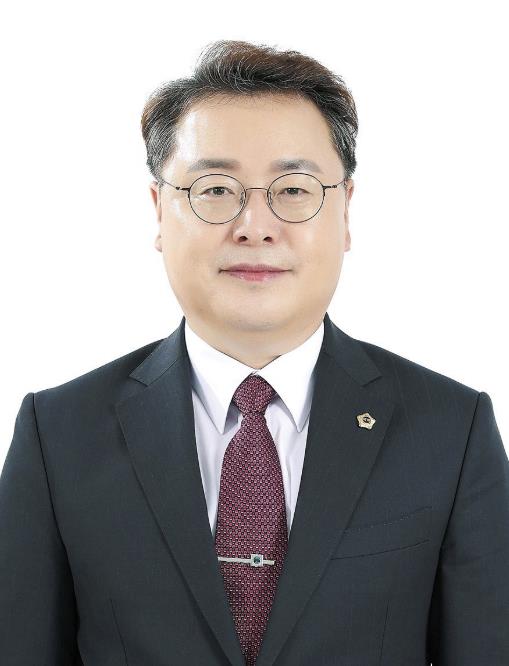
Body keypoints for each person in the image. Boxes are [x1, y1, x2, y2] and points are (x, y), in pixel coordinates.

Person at [1, 38, 508, 666]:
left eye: (293, 189)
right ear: (159, 210)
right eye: (215, 189)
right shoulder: (58, 436)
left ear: (346, 211)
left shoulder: (451, 431)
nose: (255, 226)